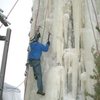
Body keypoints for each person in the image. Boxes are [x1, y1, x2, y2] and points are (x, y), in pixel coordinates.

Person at [27, 30, 50, 96]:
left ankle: (35, 75)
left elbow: (35, 38)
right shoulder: (39, 45)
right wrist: (48, 44)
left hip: (30, 61)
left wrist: (37, 33)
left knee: (34, 67)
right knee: (39, 76)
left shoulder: (31, 45)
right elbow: (46, 49)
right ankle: (40, 90)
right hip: (36, 61)